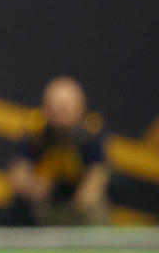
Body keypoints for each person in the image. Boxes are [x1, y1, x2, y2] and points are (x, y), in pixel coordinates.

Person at [9, 76, 110, 226]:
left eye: (65, 110)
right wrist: (31, 186)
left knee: (96, 209)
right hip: (45, 201)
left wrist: (83, 197)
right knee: (21, 206)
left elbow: (98, 174)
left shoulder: (91, 133)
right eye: (54, 109)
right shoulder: (36, 131)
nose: (60, 117)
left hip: (79, 202)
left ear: (81, 108)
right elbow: (19, 170)